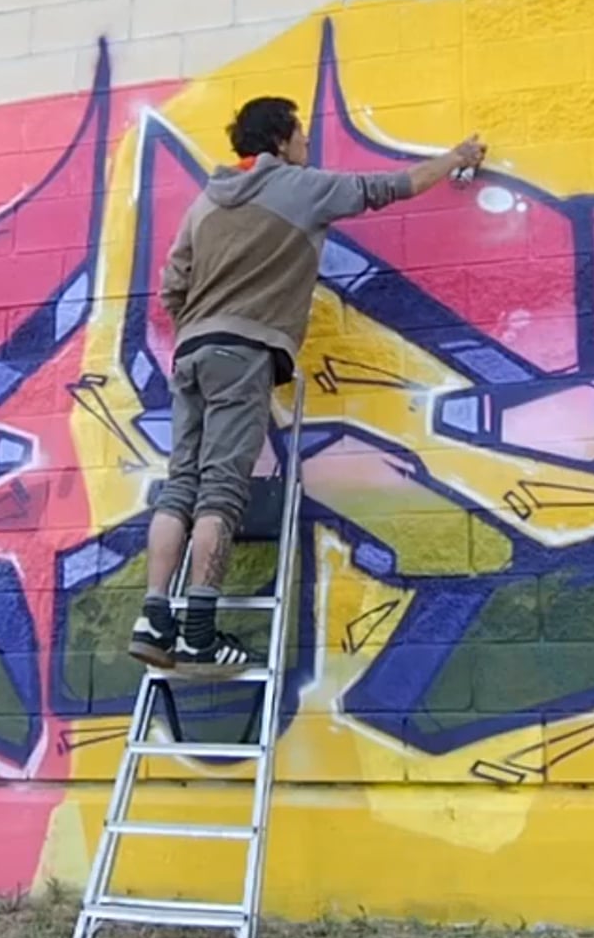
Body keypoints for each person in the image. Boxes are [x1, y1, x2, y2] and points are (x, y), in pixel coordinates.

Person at [128, 95, 486, 677]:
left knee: (180, 486)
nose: (307, 142)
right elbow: (391, 187)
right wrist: (455, 158)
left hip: (190, 354)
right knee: (221, 491)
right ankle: (197, 635)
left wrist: (203, 325)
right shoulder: (302, 187)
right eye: (300, 133)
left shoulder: (205, 202)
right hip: (242, 355)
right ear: (279, 140)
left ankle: (153, 619)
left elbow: (172, 286)